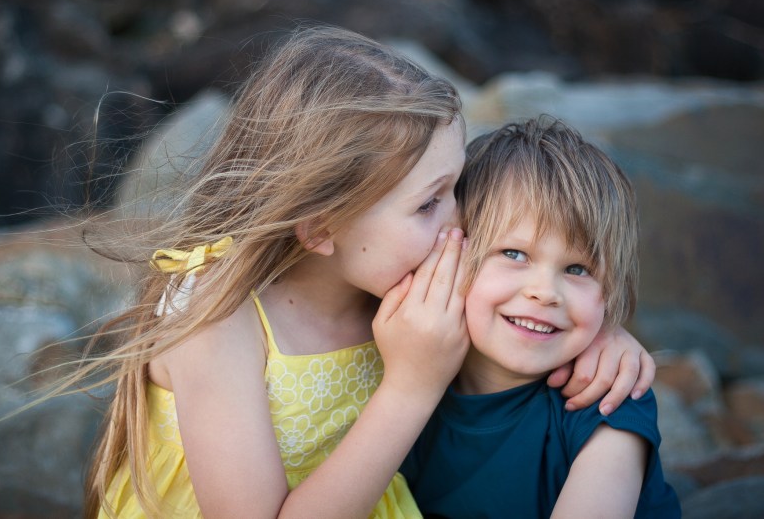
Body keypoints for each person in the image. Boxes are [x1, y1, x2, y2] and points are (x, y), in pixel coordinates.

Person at [79, 27, 655, 519]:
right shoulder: (217, 318)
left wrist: (607, 335)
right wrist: (412, 386)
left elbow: (531, 306)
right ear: (321, 227)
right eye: (429, 202)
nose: (462, 220)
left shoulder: (397, 282)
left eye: (456, 187)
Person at [401, 118, 681, 518]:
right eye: (514, 254)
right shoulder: (398, 366)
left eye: (578, 269)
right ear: (449, 253)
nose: (545, 292)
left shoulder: (609, 399)